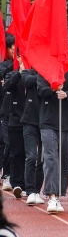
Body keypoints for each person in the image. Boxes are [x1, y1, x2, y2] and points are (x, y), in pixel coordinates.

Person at [38, 64, 68, 213]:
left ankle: (59, 193)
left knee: (63, 160)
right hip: (48, 122)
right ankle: (52, 195)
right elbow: (40, 90)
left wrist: (67, 94)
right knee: (51, 157)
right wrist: (53, 88)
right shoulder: (45, 71)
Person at [21, 67, 44, 205]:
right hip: (29, 121)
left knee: (42, 159)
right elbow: (26, 81)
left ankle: (36, 190)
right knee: (31, 156)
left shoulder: (49, 73)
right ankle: (29, 190)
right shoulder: (28, 72)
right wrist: (42, 76)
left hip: (45, 122)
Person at [4, 55, 26, 200]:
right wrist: (19, 73)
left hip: (32, 121)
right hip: (15, 120)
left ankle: (29, 185)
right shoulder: (12, 74)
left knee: (30, 154)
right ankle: (17, 183)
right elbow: (8, 86)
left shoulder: (36, 74)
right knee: (16, 152)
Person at [0, 34, 15, 192]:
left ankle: (13, 175)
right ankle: (6, 174)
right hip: (5, 111)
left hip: (19, 112)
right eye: (13, 49)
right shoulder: (5, 66)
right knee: (6, 142)